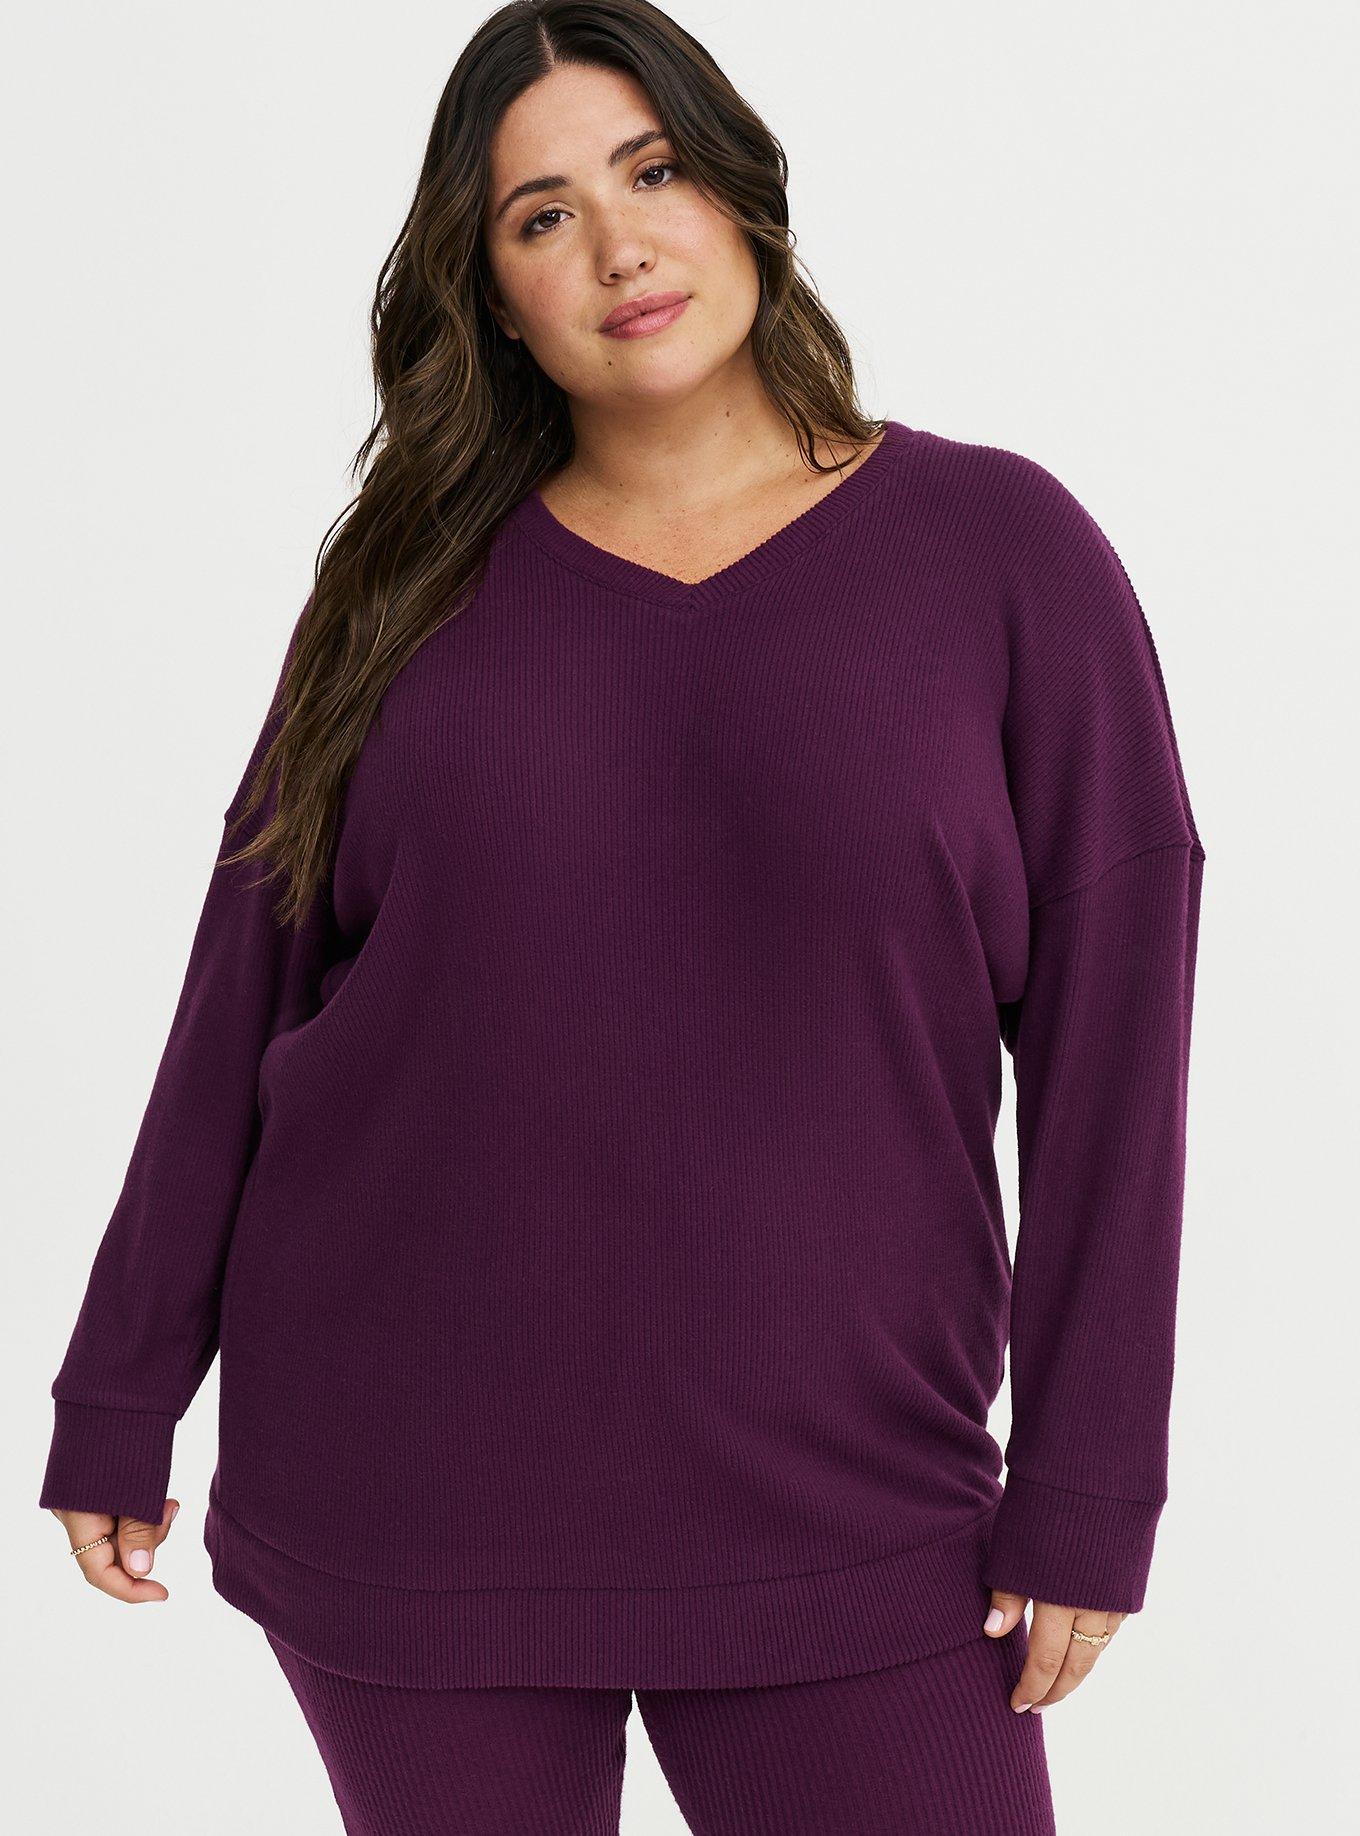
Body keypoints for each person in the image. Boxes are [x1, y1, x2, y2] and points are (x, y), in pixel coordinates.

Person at [39, 3, 1206, 1831]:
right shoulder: (401, 590)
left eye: (653, 172)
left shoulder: (1000, 553)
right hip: (412, 1483)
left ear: (741, 192)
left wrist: (1090, 1481)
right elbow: (245, 980)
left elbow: (1116, 1038)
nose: (620, 246)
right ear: (495, 297)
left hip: (856, 1495)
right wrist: (121, 1386)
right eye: (543, 215)